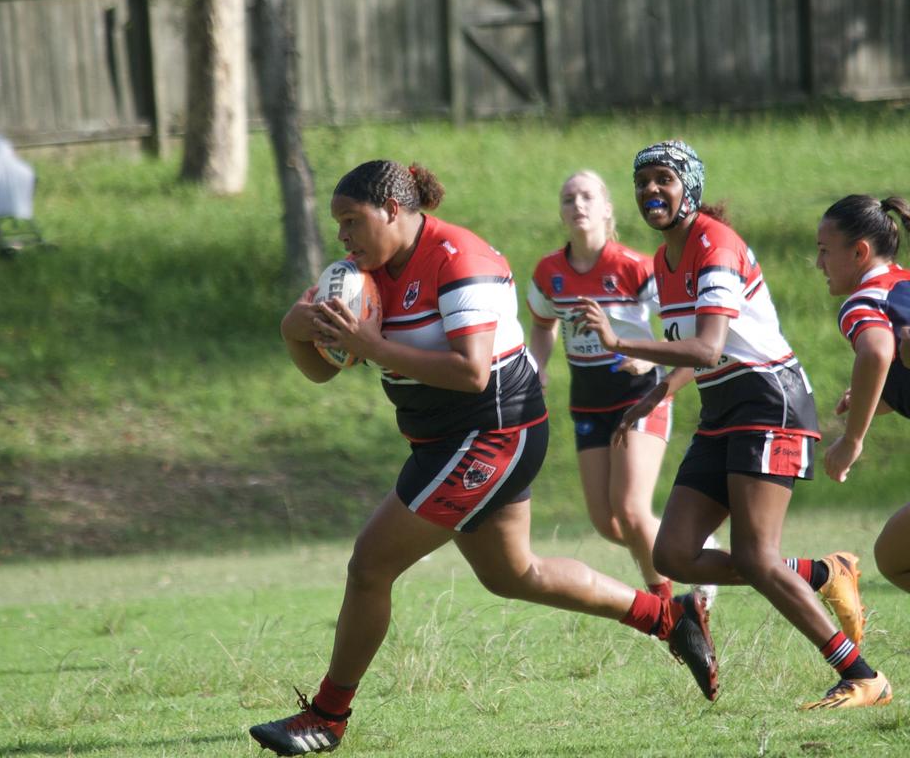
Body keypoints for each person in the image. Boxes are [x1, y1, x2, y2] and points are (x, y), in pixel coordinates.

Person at [249, 160, 718, 757]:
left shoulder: (457, 257)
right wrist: (296, 331)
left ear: (393, 210)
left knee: (369, 565)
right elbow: (323, 370)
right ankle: (668, 618)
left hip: (494, 432)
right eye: (337, 223)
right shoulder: (355, 275)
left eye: (351, 220)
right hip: (442, 439)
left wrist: (372, 345)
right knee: (512, 574)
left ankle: (327, 717)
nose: (342, 235)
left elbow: (472, 374)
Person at [574, 140, 891, 710]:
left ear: (688, 187)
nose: (651, 190)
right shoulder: (662, 262)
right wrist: (654, 394)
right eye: (642, 181)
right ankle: (825, 570)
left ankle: (864, 676)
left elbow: (709, 345)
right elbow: (697, 354)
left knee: (755, 557)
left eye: (664, 179)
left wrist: (621, 342)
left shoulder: (713, 245)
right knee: (672, 554)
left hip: (770, 404)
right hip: (724, 411)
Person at [527, 169, 718, 602]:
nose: (577, 204)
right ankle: (699, 547)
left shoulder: (633, 266)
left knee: (631, 512)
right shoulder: (548, 272)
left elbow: (676, 324)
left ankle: (668, 605)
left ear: (607, 208)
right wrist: (538, 364)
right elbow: (542, 325)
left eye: (587, 196)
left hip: (640, 395)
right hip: (588, 402)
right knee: (608, 523)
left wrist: (645, 353)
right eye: (568, 198)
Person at [815, 194, 910, 594]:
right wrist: (885, 397)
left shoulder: (865, 300)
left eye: (824, 251)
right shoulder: (904, 284)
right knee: (893, 555)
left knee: (894, 559)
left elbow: (877, 350)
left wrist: (852, 440)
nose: (818, 263)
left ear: (859, 252)